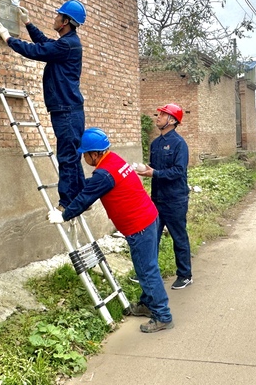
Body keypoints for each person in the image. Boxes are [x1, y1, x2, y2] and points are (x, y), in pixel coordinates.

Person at [47, 128, 174, 333]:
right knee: (145, 267)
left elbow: (86, 197)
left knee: (147, 270)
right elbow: (95, 185)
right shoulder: (113, 160)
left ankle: (163, 315)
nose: (84, 157)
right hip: (147, 218)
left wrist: (63, 215)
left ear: (95, 153)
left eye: (85, 154)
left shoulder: (104, 173)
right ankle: (147, 304)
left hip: (139, 225)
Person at [0, 0, 86, 210]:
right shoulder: (66, 43)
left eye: (57, 16)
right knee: (72, 156)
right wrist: (28, 24)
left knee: (67, 157)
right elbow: (45, 44)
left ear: (65, 22)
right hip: (69, 110)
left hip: (67, 111)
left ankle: (66, 203)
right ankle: (80, 198)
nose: (54, 18)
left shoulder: (68, 44)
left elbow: (37, 51)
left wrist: (7, 38)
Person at [136, 103, 192, 290]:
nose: (158, 117)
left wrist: (154, 174)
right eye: (158, 114)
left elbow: (178, 171)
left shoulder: (179, 144)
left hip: (175, 200)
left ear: (172, 120)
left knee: (179, 237)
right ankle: (148, 272)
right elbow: (154, 168)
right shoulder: (155, 144)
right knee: (151, 237)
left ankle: (184, 275)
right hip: (157, 199)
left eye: (162, 115)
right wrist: (145, 170)